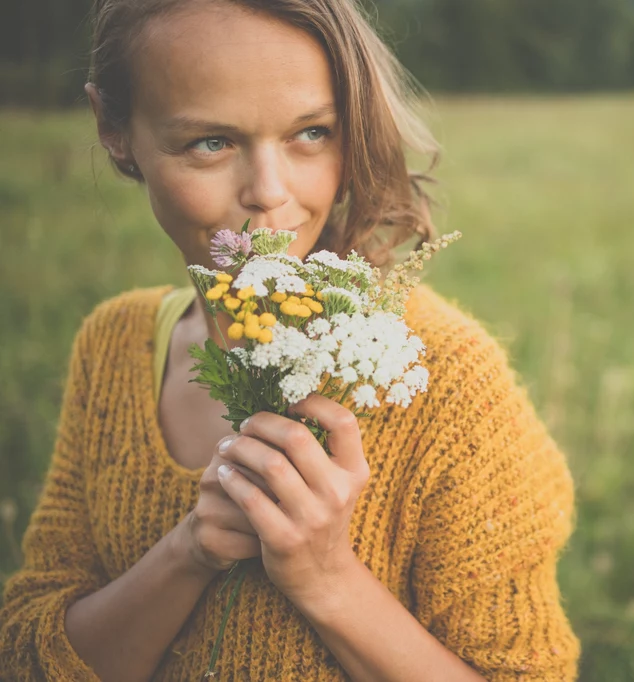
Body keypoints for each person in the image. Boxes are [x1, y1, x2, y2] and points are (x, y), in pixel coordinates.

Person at [0, 1, 579, 680]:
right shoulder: (114, 347)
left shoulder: (449, 379)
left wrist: (327, 577)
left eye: (311, 133)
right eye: (210, 143)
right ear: (114, 129)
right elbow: (26, 656)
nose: (270, 195)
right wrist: (187, 553)